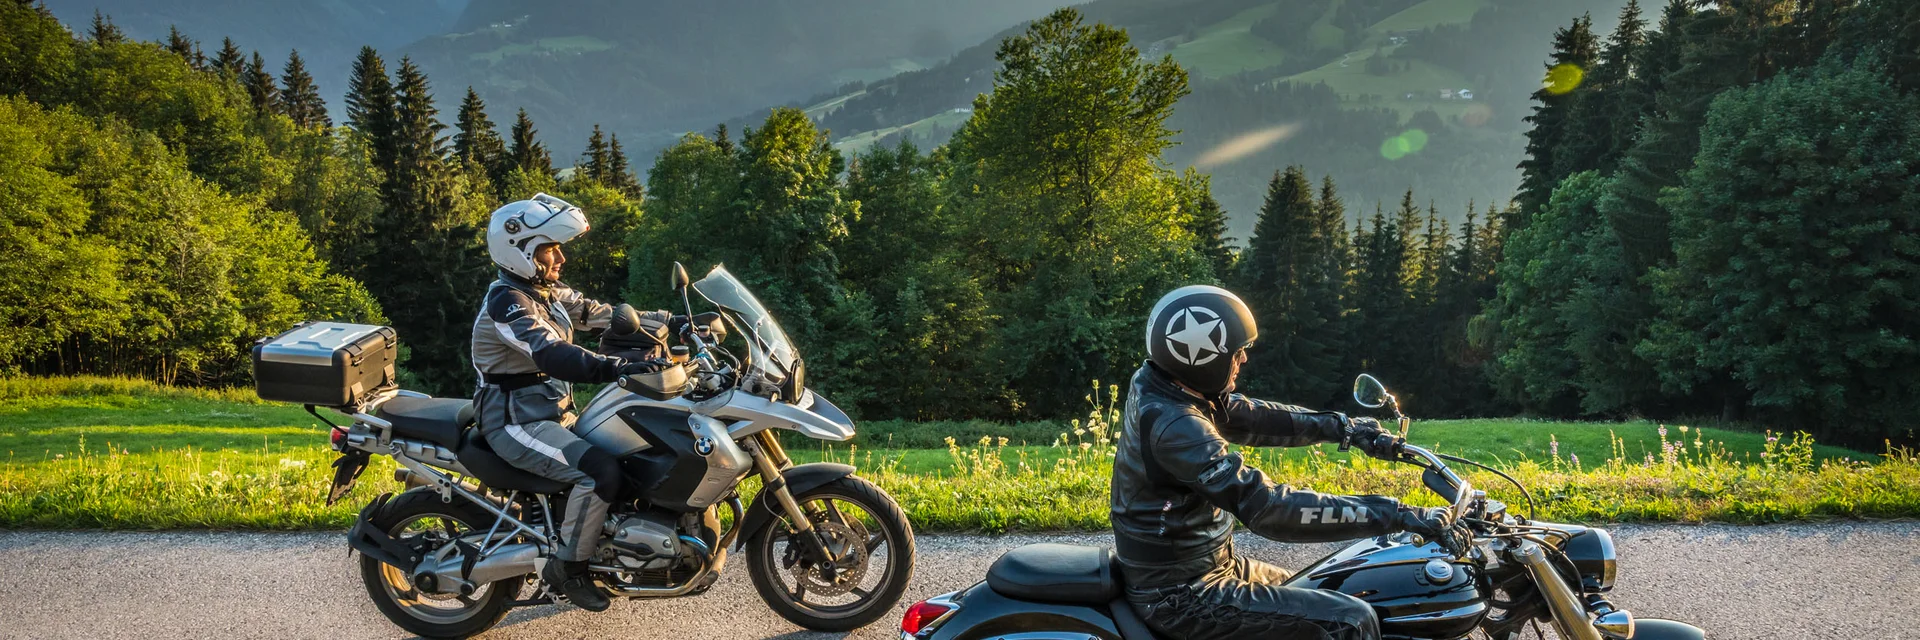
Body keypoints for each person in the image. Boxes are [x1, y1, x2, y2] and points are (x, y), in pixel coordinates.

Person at [1112, 285, 1471, 640]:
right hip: (1181, 593)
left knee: (1331, 584)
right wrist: (1398, 514)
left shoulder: (1167, 388)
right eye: (1238, 351)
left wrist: (1347, 429)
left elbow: (1252, 417)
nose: (1244, 359)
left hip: (1208, 567)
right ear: (1203, 358)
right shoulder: (1176, 426)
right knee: (1350, 619)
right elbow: (1268, 507)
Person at [470, 193, 684, 611]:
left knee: (629, 456)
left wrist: (677, 322)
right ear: (523, 252)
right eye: (551, 249)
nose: (561, 259)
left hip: (551, 413)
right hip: (515, 422)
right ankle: (568, 568)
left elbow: (595, 311)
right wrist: (615, 367)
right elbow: (550, 353)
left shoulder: (544, 291)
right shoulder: (508, 303)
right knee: (597, 471)